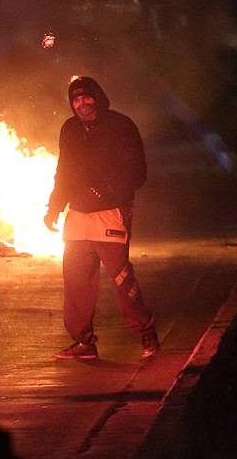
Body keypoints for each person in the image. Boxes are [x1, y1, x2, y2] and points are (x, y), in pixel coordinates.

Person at [43, 76, 158, 360]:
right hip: (77, 216)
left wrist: (105, 190)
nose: (82, 104)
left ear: (98, 97)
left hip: (110, 213)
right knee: (76, 281)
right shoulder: (69, 129)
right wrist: (54, 206)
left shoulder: (121, 125)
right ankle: (83, 343)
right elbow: (64, 171)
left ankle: (146, 333)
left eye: (86, 97)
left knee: (121, 278)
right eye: (76, 99)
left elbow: (136, 171)